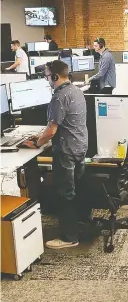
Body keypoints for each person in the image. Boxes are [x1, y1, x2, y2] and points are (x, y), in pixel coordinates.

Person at [23, 60, 89, 249]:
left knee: (65, 193)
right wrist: (42, 136)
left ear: (54, 76)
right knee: (77, 190)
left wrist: (37, 142)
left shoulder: (59, 97)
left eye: (46, 76)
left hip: (66, 151)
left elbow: (52, 130)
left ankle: (69, 238)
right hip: (79, 147)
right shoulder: (76, 91)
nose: (46, 80)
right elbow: (63, 124)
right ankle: (81, 224)